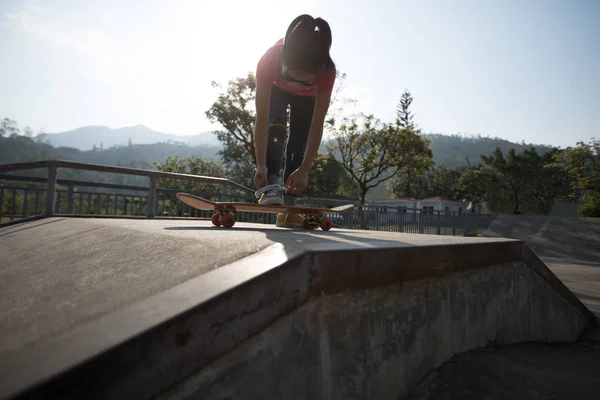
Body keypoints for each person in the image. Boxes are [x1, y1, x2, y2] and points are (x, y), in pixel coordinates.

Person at [253, 14, 336, 228]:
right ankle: (272, 184)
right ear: (282, 62)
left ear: (317, 74)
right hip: (276, 90)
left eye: (305, 81)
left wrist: (305, 169)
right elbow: (261, 119)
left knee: (298, 141)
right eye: (291, 77)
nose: (297, 85)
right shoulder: (270, 60)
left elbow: (317, 125)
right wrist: (261, 165)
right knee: (276, 126)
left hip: (307, 100)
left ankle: (290, 204)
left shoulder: (327, 71)